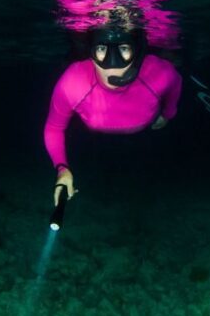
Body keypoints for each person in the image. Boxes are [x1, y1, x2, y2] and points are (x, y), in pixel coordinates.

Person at [44, 25, 182, 206]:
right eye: (101, 49)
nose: (112, 64)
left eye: (124, 49)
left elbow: (176, 82)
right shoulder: (72, 82)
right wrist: (62, 169)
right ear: (91, 52)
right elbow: (54, 128)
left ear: (138, 53)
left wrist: (168, 113)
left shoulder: (160, 73)